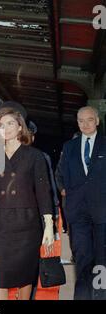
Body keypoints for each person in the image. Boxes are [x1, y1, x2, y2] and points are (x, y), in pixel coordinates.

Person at [0, 107, 54, 300]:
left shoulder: (35, 156)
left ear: (19, 127)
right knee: (0, 279)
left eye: (10, 123)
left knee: (25, 280)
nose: (5, 128)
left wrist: (49, 225)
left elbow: (43, 192)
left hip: (27, 225)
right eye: (0, 125)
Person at [60, 106, 106, 300]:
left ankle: (100, 295)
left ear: (97, 121)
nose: (85, 124)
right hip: (78, 212)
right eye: (81, 121)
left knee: (102, 259)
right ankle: (83, 296)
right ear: (77, 123)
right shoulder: (69, 147)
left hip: (103, 211)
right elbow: (61, 174)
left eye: (89, 120)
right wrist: (66, 191)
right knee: (82, 257)